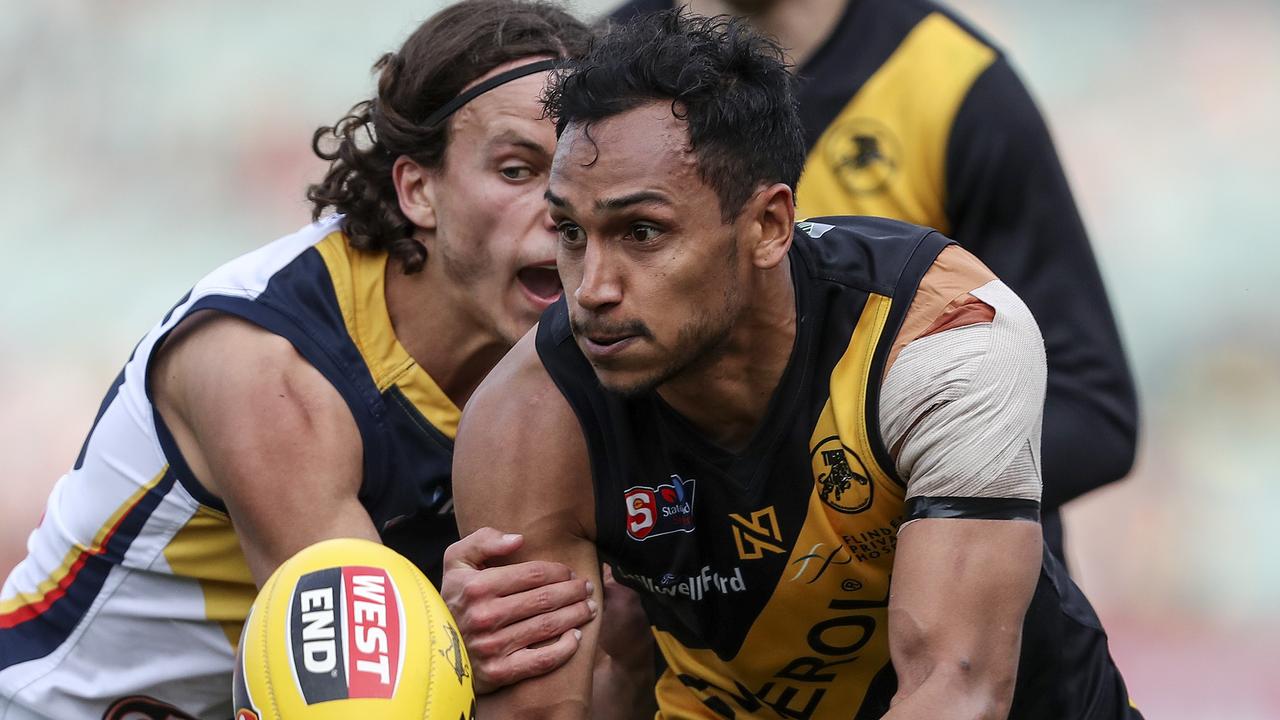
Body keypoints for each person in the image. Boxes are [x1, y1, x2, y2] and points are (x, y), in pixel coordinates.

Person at [453, 11, 1142, 718]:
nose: (591, 288)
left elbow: (954, 694)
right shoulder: (528, 412)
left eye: (642, 232)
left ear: (769, 227)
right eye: (571, 231)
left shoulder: (943, 331)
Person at [0, 3, 605, 717]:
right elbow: (362, 688)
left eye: (576, 172)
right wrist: (450, 626)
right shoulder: (272, 364)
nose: (559, 207)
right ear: (418, 189)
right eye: (515, 168)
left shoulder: (591, 333)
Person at [608, 0, 1139, 564]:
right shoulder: (594, 77)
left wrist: (887, 504)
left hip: (946, 609)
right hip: (692, 620)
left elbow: (1091, 408)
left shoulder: (955, 83)